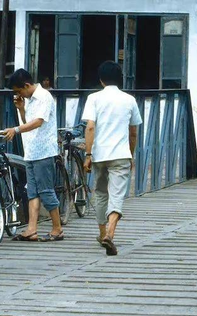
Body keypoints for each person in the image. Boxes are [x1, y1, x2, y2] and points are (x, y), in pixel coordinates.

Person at [82, 61, 142, 256]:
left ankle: (102, 234)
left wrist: (88, 154)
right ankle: (110, 232)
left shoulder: (94, 98)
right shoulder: (129, 100)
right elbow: (133, 133)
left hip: (99, 154)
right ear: (120, 79)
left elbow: (90, 127)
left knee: (100, 193)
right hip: (121, 154)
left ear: (101, 80)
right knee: (116, 195)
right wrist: (130, 155)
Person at [1, 69, 63, 242]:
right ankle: (31, 229)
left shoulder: (43, 97)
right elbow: (28, 121)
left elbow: (38, 122)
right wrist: (21, 109)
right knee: (33, 192)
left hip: (43, 151)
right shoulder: (28, 100)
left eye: (18, 91)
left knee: (46, 190)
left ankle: (57, 228)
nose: (18, 94)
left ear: (27, 85)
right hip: (31, 150)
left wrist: (16, 130)